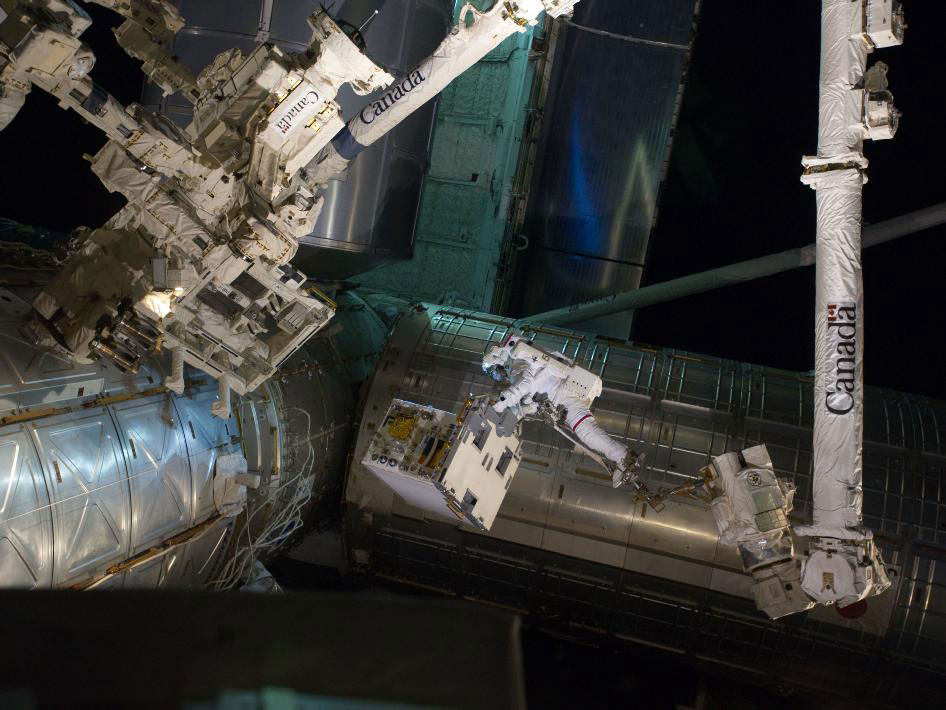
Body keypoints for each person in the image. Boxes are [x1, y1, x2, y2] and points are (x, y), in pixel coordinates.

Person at [482, 338, 641, 488]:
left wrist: (498, 406)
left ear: (499, 360)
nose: (498, 377)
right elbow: (534, 394)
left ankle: (624, 457)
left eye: (496, 372)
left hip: (563, 395)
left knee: (586, 432)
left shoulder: (518, 360)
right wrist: (523, 410)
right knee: (585, 433)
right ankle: (622, 457)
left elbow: (524, 384)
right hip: (558, 400)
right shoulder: (518, 363)